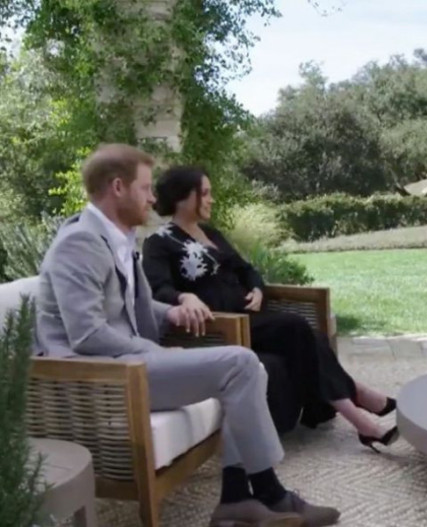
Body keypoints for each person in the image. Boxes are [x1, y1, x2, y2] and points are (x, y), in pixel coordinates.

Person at [33, 144, 341, 527]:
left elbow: (128, 305)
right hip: (101, 379)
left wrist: (172, 310)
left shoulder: (116, 239)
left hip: (127, 366)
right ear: (118, 187)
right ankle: (272, 495)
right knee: (241, 363)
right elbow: (87, 334)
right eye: (146, 188)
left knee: (251, 369)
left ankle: (236, 498)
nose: (153, 198)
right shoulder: (79, 244)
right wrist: (157, 352)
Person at [141, 165, 399, 452]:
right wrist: (183, 297)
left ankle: (360, 405)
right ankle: (361, 412)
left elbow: (246, 269)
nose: (211, 199)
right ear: (183, 197)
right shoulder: (160, 242)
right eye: (205, 193)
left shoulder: (210, 233)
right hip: (222, 326)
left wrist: (258, 289)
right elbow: (158, 289)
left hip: (251, 317)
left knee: (311, 338)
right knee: (296, 327)